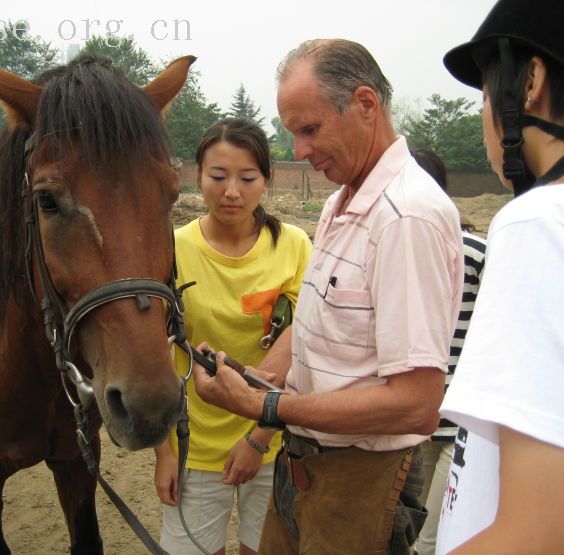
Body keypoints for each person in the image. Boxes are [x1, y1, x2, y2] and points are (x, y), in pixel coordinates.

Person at [192, 39, 464, 554]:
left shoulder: (406, 218)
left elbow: (416, 405)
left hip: (362, 477)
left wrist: (264, 406)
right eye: (293, 132)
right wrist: (259, 377)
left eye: (309, 129)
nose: (298, 151)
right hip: (306, 466)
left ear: (365, 104)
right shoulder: (342, 201)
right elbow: (315, 323)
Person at [435, 0, 564, 552]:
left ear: (529, 82)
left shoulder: (537, 223)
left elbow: (536, 532)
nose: (485, 115)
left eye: (486, 94)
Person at [154, 117, 312, 555]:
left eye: (247, 178)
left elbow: (303, 346)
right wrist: (164, 454)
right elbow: (152, 357)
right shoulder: (169, 249)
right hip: (193, 448)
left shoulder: (295, 246)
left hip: (274, 441)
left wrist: (258, 438)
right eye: (218, 177)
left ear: (267, 179)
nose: (231, 192)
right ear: (197, 176)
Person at [409, 149, 487, 555]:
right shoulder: (396, 249)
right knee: (415, 520)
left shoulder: (475, 253)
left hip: (458, 420)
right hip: (411, 419)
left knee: (431, 535)